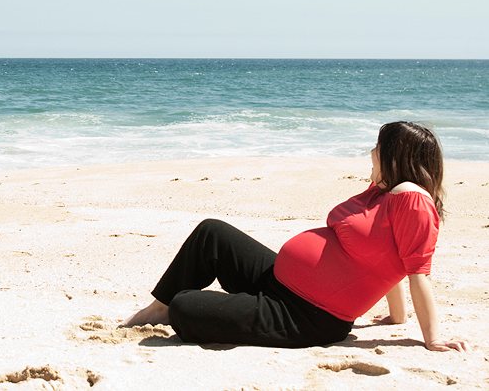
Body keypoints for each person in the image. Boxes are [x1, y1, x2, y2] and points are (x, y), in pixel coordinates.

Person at [121, 122, 468, 352]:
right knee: (212, 233)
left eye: (378, 147)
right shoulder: (384, 192)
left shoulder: (412, 200)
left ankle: (172, 309)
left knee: (189, 306)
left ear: (396, 156)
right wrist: (397, 316)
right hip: (279, 282)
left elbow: (417, 271)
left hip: (304, 316)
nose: (372, 153)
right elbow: (384, 255)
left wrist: (432, 339)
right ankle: (158, 307)